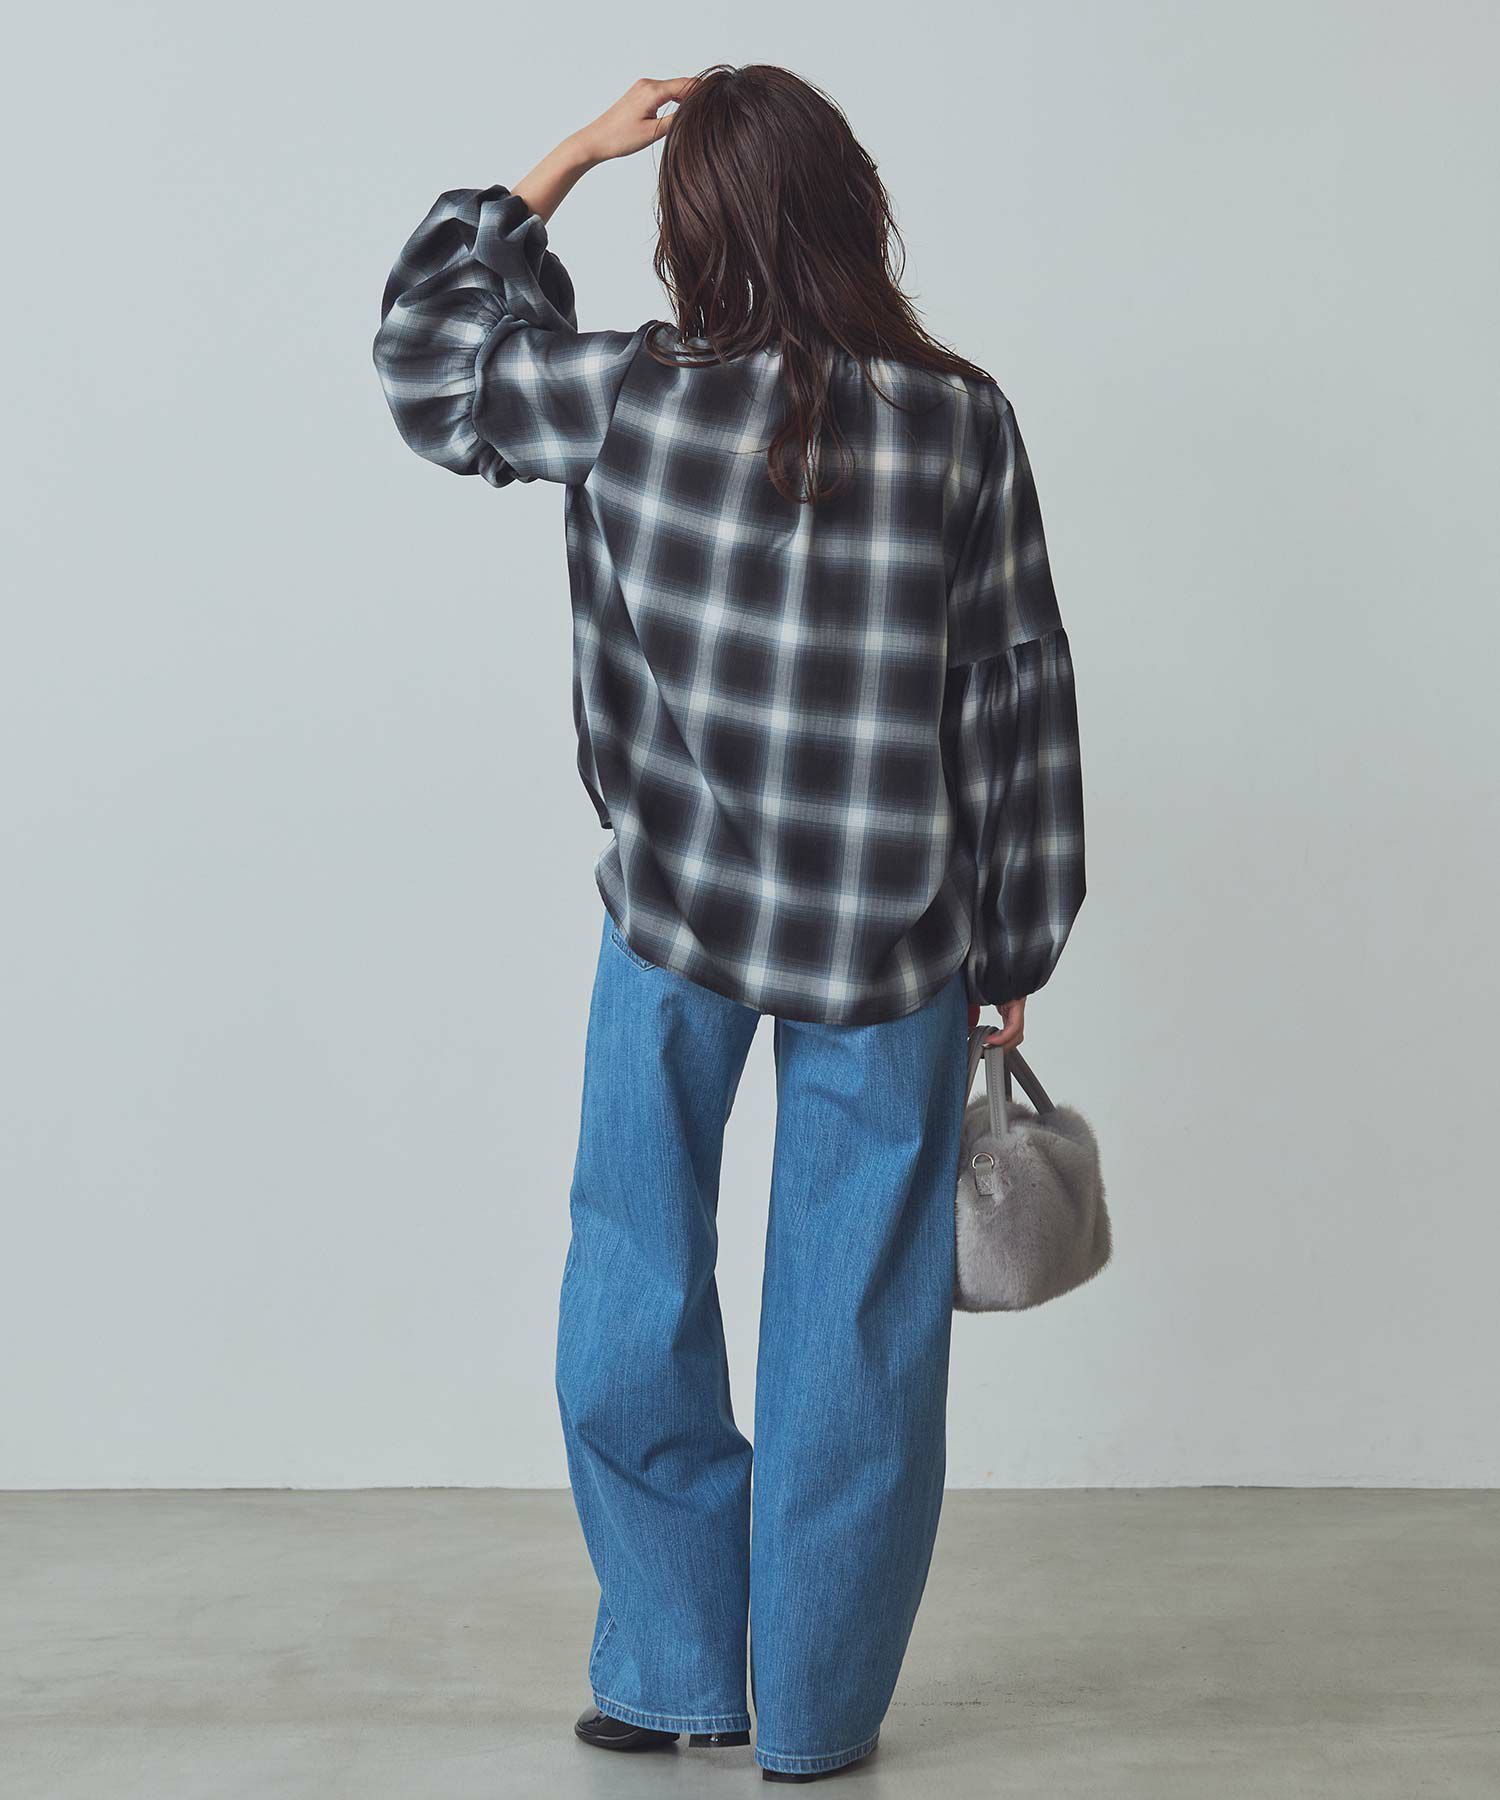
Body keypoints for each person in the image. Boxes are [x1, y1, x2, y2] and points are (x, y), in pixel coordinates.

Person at [373, 63, 1085, 1784]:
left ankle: (675, 1668)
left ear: (688, 223)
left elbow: (426, 358)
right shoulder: (959, 417)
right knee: (858, 1332)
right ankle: (814, 1715)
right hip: (890, 933)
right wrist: (1015, 944)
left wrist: (566, 158)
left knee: (633, 1278)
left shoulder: (625, 395)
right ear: (850, 203)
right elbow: (1013, 691)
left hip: (675, 916)